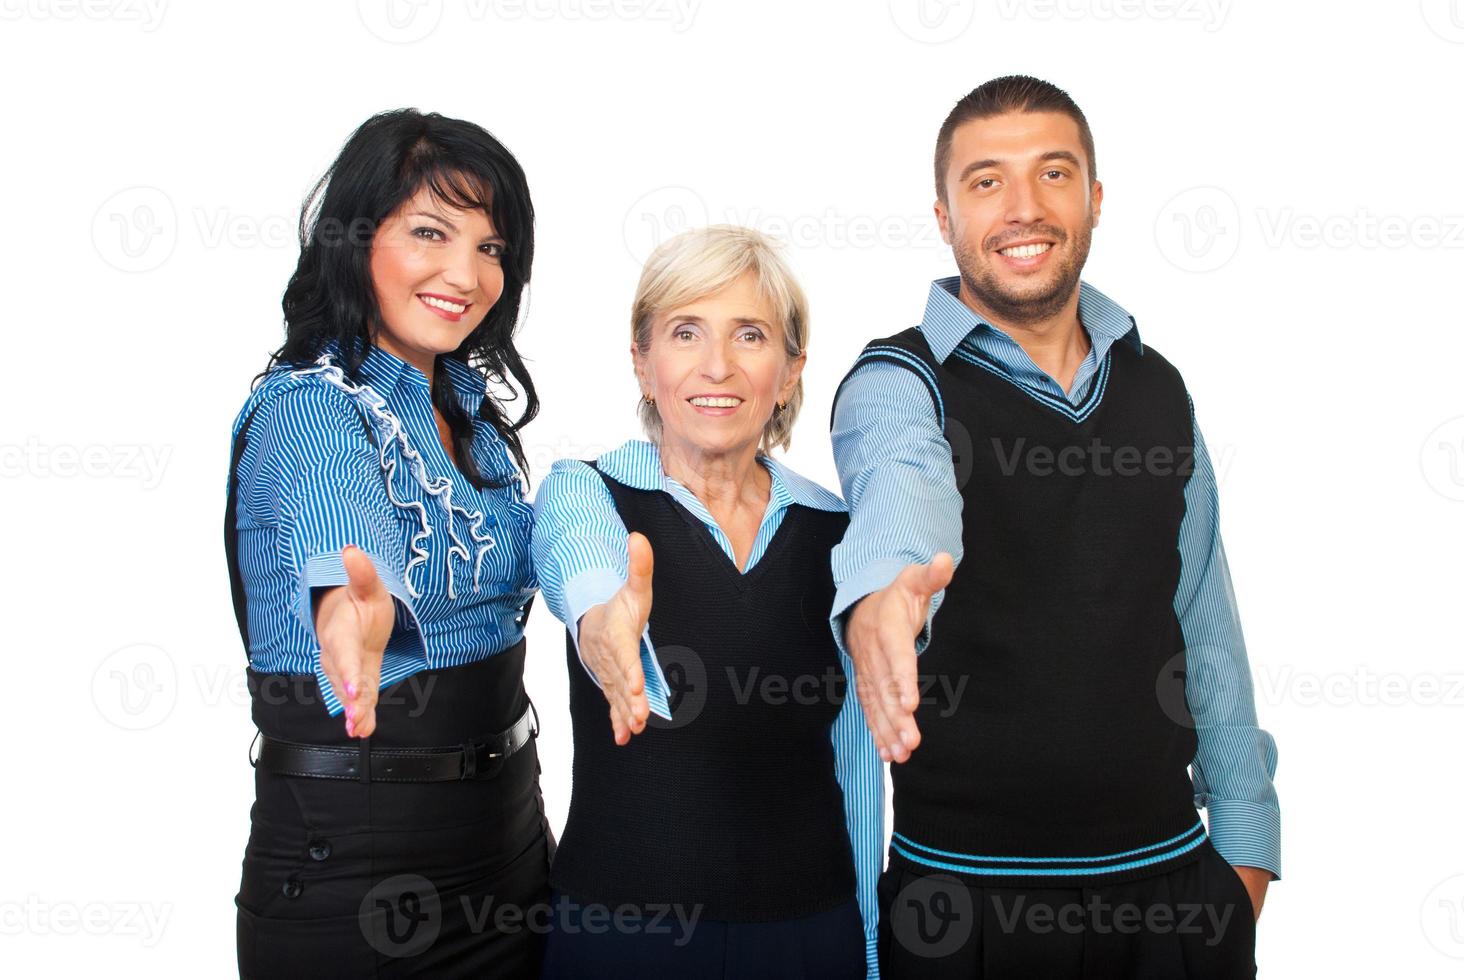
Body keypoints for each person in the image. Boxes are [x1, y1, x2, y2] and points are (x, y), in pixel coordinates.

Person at [830, 76, 1281, 978]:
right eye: (986, 181)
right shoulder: (897, 383)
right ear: (943, 213)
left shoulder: (1159, 386)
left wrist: (1244, 860)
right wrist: (887, 597)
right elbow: (901, 493)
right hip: (961, 913)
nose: (1023, 208)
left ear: (1096, 199)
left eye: (1054, 174)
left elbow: (1204, 622)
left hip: (1175, 896)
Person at [227, 108, 551, 977]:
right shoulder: (308, 405)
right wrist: (351, 610)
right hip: (359, 874)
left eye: (492, 246)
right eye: (430, 233)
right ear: (356, 239)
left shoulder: (471, 416)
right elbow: (346, 544)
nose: (467, 273)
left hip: (511, 847)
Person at [531, 225, 883, 978]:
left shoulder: (838, 533)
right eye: (685, 331)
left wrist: (871, 953)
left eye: (750, 335)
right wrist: (603, 617)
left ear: (789, 372)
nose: (716, 365)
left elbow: (855, 765)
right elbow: (579, 560)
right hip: (620, 939)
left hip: (807, 936)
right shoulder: (586, 491)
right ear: (642, 361)